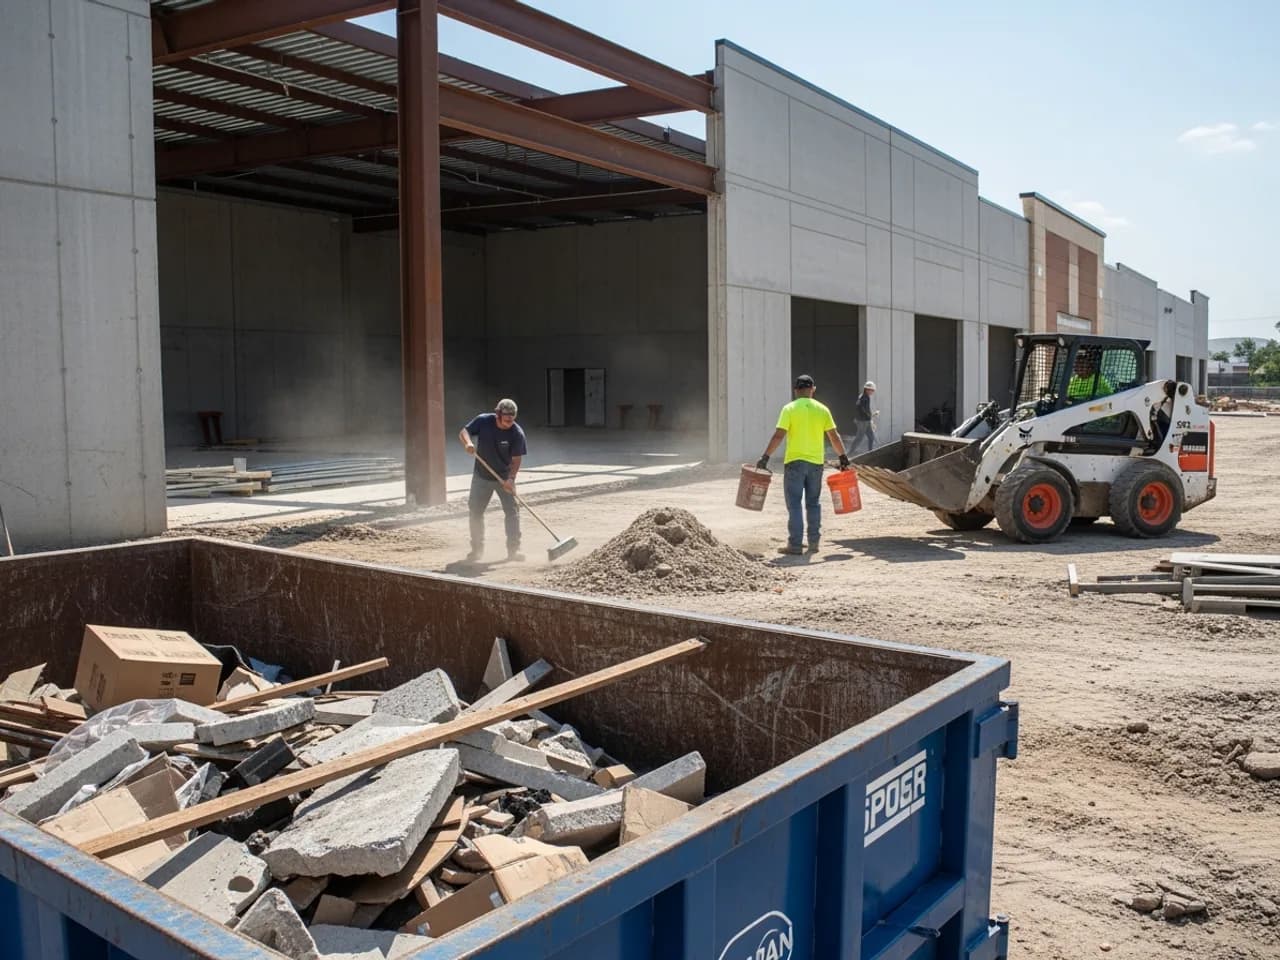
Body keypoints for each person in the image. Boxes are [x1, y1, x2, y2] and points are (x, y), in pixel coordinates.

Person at [757, 375, 850, 555]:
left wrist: (765, 457)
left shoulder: (789, 409)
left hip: (795, 463)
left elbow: (779, 435)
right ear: (813, 389)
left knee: (794, 504)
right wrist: (843, 457)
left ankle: (795, 545)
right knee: (813, 504)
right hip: (816, 464)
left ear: (795, 390)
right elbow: (834, 436)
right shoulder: (823, 409)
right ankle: (814, 543)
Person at [459, 399, 527, 562]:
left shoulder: (517, 433)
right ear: (498, 415)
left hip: (504, 477)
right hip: (481, 476)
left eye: (512, 420)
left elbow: (516, 459)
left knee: (512, 512)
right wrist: (468, 443)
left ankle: (513, 550)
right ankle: (476, 550)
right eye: (506, 420)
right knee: (475, 511)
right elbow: (464, 432)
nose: (509, 423)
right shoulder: (483, 421)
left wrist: (511, 479)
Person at [851, 381, 878, 452]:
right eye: (872, 390)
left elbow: (865, 409)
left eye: (873, 390)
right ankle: (850, 453)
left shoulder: (865, 397)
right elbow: (862, 409)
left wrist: (870, 417)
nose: (873, 392)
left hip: (865, 420)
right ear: (867, 389)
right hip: (862, 421)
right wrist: (869, 416)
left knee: (871, 437)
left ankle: (870, 452)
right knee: (859, 437)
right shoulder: (864, 398)